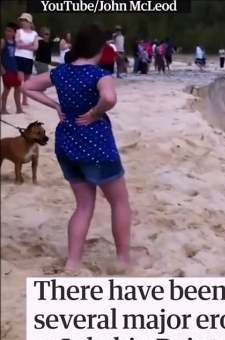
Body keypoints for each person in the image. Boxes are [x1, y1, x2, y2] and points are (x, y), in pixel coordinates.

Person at [21, 23, 133, 271]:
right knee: (120, 203)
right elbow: (110, 98)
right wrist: (94, 113)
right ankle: (123, 259)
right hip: (97, 147)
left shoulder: (60, 72)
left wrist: (56, 106)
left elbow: (27, 86)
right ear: (100, 49)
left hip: (67, 145)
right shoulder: (100, 75)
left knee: (83, 206)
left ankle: (73, 262)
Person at [15, 13, 38, 106]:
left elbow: (35, 47)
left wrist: (23, 45)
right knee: (20, 80)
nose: (22, 22)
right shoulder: (19, 31)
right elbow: (17, 45)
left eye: (25, 20)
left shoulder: (34, 33)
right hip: (19, 57)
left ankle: (25, 100)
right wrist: (29, 45)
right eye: (21, 20)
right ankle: (18, 99)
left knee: (27, 80)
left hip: (28, 58)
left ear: (29, 22)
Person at [1, 22, 23, 114]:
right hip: (6, 68)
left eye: (10, 31)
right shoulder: (3, 41)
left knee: (18, 88)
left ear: (14, 33)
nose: (7, 32)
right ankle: (3, 108)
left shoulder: (15, 43)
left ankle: (19, 108)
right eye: (6, 30)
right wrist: (1, 68)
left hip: (15, 69)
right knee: (7, 88)